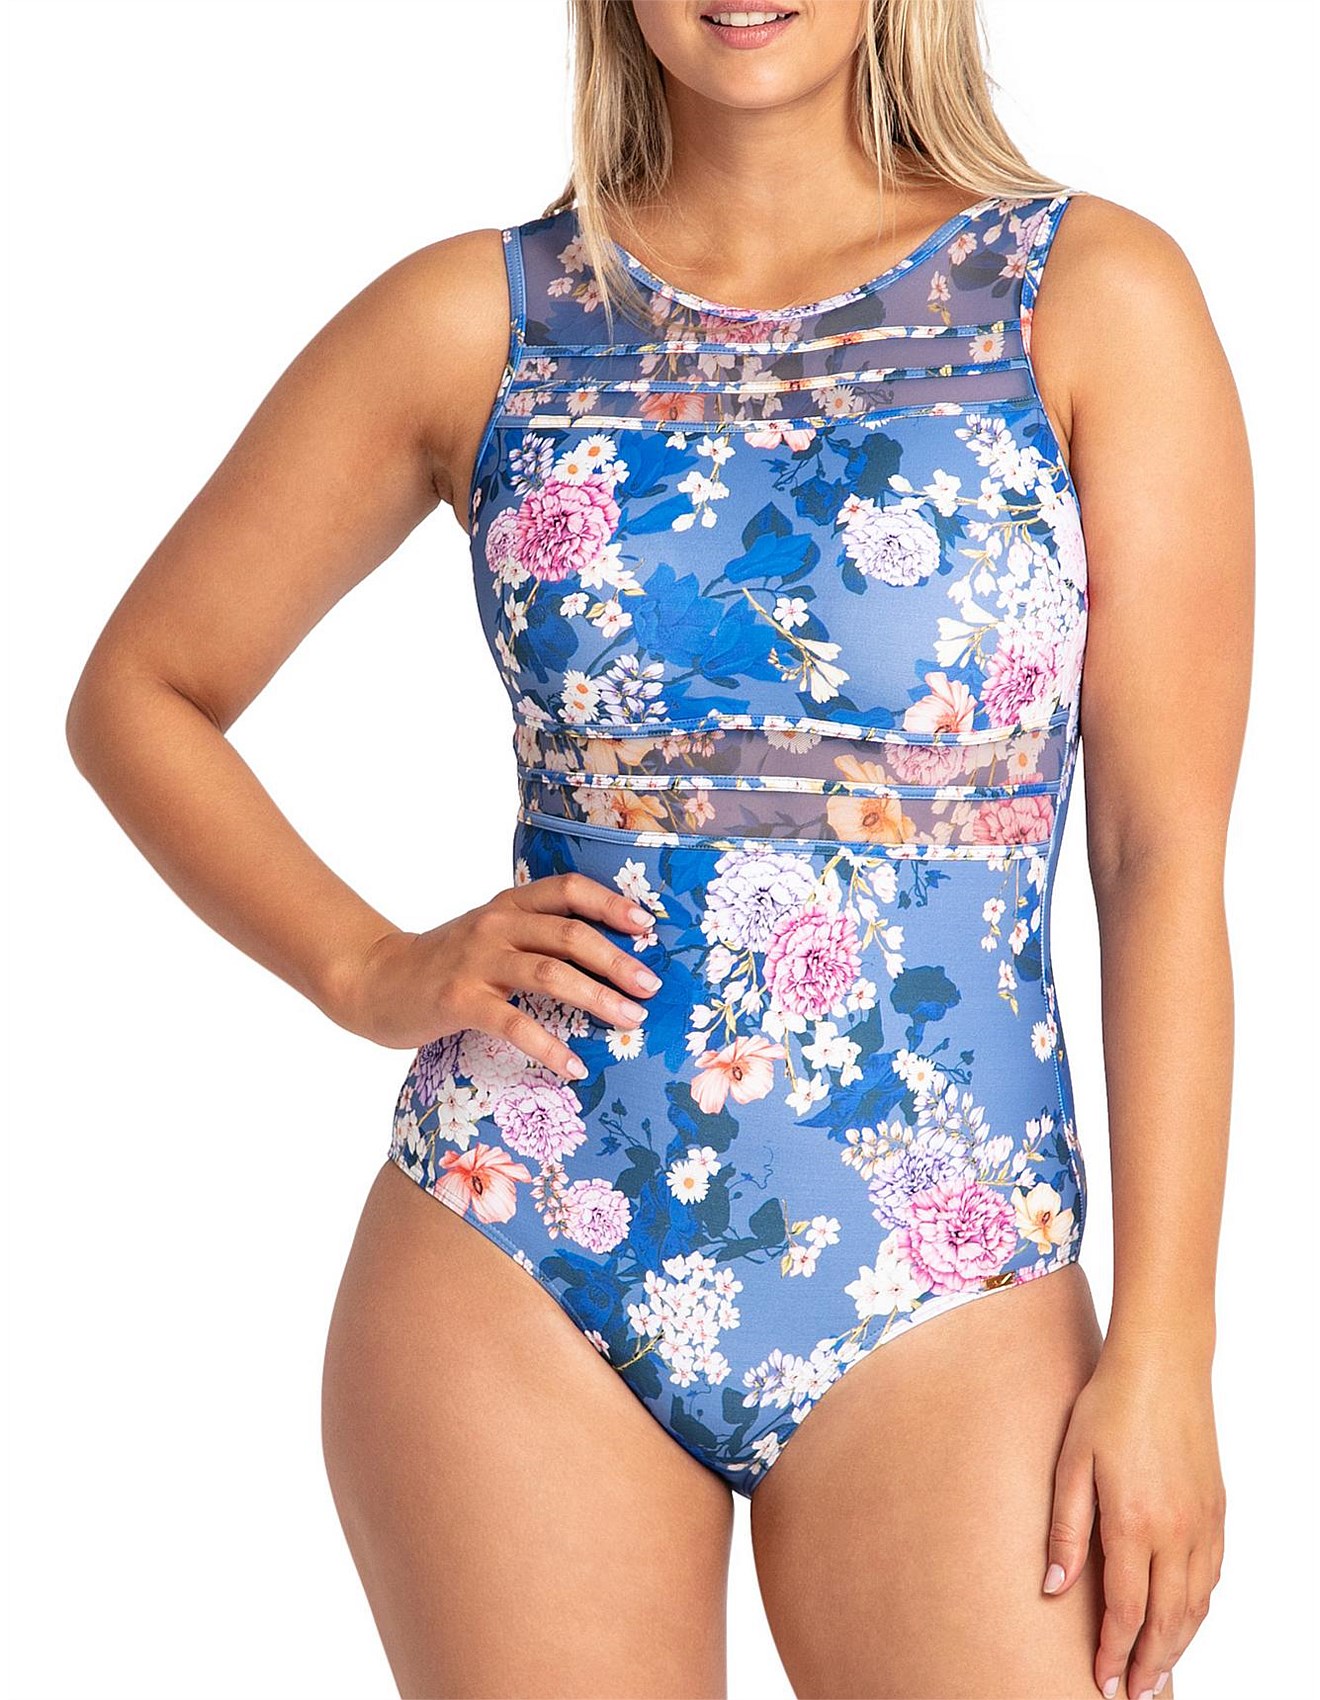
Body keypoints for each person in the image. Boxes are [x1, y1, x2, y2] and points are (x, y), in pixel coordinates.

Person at [65, 2, 1250, 1696]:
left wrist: (1168, 1354)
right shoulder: (483, 321)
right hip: (520, 1247)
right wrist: (365, 965)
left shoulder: (1089, 298)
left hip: (947, 1267)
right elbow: (142, 691)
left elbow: (1158, 858)